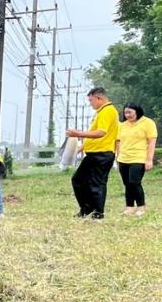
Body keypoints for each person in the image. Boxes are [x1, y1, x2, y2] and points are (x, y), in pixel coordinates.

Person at [66, 87, 119, 219]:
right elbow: (95, 134)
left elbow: (101, 133)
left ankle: (98, 212)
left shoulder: (107, 111)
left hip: (102, 154)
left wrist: (78, 133)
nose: (91, 104)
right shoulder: (101, 112)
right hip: (94, 153)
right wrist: (82, 147)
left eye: (91, 101)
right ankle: (87, 208)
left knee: (96, 182)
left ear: (99, 98)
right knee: (79, 179)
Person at [116, 103, 157, 216]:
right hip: (123, 158)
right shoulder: (122, 125)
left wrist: (149, 159)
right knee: (127, 184)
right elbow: (118, 141)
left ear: (137, 111)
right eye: (125, 113)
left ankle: (141, 207)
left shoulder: (147, 123)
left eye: (130, 112)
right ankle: (129, 207)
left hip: (139, 158)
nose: (127, 115)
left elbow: (152, 142)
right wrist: (117, 156)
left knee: (134, 182)